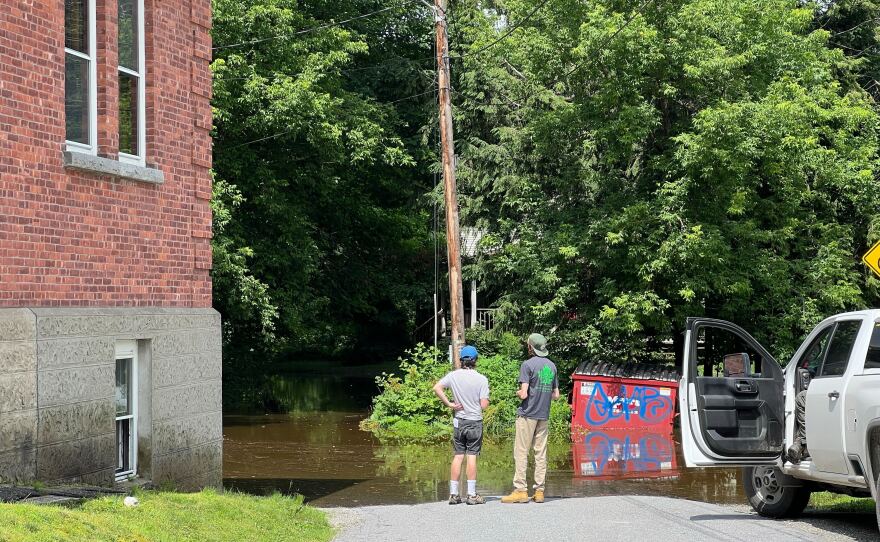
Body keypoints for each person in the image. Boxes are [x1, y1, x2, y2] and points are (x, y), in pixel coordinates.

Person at [502, 333, 560, 504]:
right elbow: (556, 395)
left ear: (531, 347)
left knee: (521, 451)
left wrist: (519, 392)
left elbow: (524, 394)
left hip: (528, 414)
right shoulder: (552, 366)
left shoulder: (527, 365)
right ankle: (539, 491)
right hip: (544, 414)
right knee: (540, 453)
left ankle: (520, 490)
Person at [432, 345, 490, 505]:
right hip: (474, 421)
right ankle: (471, 495)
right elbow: (484, 405)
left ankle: (453, 494)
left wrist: (449, 404)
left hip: (459, 421)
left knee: (458, 456)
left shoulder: (453, 376)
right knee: (471, 456)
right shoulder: (482, 379)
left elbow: (437, 388)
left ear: (461, 360)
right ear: (475, 360)